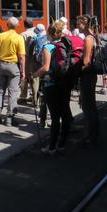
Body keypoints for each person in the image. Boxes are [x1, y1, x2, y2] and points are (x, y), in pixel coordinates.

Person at [33, 21, 72, 155]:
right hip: (64, 83)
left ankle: (51, 148)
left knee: (55, 117)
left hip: (51, 85)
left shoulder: (47, 47)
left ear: (49, 33)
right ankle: (61, 144)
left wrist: (34, 75)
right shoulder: (65, 45)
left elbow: (45, 67)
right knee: (65, 115)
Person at [0, 17, 26, 127]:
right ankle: (9, 119)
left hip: (1, 65)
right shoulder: (19, 38)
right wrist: (23, 71)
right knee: (12, 92)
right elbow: (21, 57)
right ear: (17, 26)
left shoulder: (0, 36)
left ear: (7, 25)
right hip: (13, 67)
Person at [77, 15, 99, 147]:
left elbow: (86, 61)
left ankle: (89, 135)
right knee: (90, 104)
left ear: (84, 25)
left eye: (78, 24)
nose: (76, 26)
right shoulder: (93, 36)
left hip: (87, 74)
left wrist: (75, 70)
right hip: (91, 75)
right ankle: (93, 132)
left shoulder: (88, 39)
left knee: (87, 105)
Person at [31, 23, 48, 126]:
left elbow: (38, 56)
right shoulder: (48, 38)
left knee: (43, 96)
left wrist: (35, 74)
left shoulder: (38, 39)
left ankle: (43, 119)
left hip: (42, 67)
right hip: (51, 69)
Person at [20, 18, 37, 104]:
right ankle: (34, 97)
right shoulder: (36, 33)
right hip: (35, 58)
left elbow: (20, 48)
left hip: (26, 58)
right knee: (34, 77)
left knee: (24, 77)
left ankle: (23, 96)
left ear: (24, 25)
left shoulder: (23, 34)